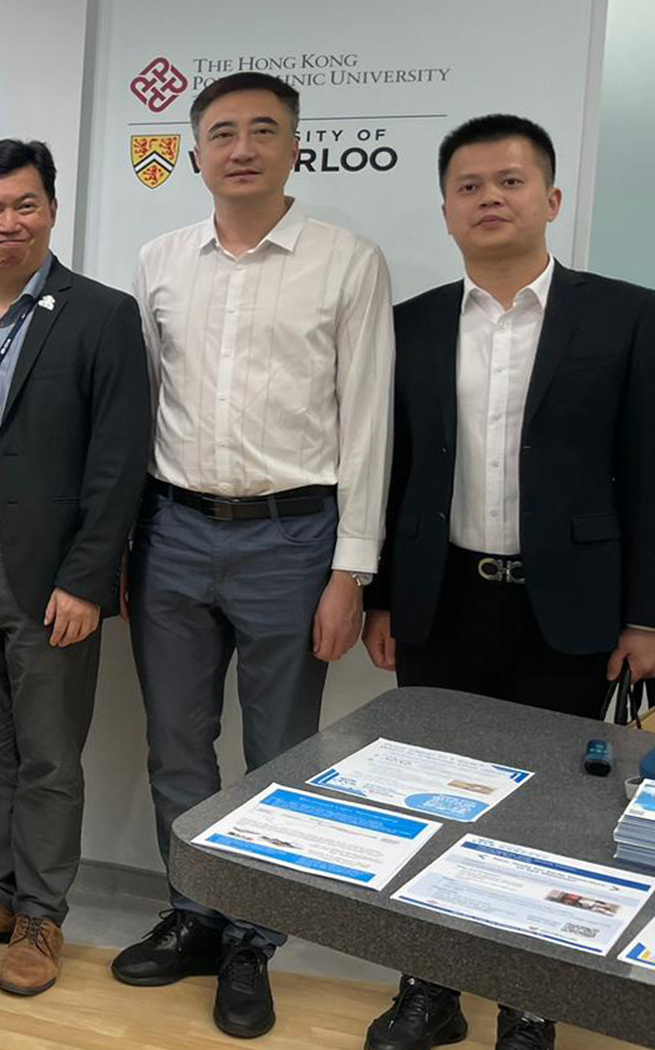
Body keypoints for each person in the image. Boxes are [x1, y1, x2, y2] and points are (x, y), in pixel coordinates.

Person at [359, 115, 655, 1050]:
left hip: (570, 608)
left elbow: (649, 474)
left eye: (511, 182)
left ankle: (529, 999)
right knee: (432, 794)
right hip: (441, 598)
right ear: (445, 210)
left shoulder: (627, 315)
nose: (490, 198)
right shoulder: (408, 324)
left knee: (555, 808)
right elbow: (393, 468)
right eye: (470, 186)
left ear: (551, 199)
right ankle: (429, 989)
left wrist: (647, 615)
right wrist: (380, 598)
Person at [113, 71, 395, 1039]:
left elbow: (366, 424)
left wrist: (349, 569)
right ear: (193, 152)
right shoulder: (157, 260)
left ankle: (251, 938)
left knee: (275, 756)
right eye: (221, 132)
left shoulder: (345, 262)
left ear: (292, 147)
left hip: (291, 536)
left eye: (261, 131)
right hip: (171, 532)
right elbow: (136, 415)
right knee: (176, 746)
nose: (240, 147)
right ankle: (193, 914)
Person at [0, 139, 149, 996]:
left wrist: (88, 578)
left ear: (51, 209)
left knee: (49, 755)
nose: (8, 223)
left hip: (48, 571)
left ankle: (44, 914)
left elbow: (118, 462)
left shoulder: (101, 314)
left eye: (26, 205)